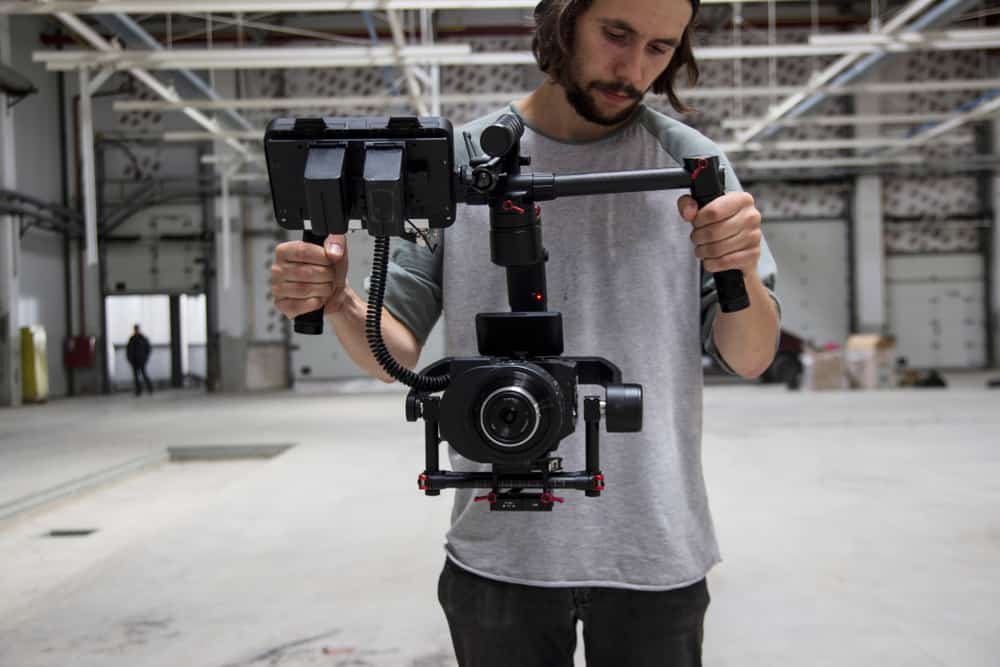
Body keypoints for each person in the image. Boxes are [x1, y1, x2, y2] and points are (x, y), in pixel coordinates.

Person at [271, 0, 781, 663]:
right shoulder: (455, 164)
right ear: (563, 21)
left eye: (659, 49)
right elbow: (393, 346)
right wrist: (337, 298)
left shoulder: (690, 163)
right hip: (500, 551)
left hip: (652, 545)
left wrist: (737, 262)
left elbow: (749, 355)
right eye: (616, 34)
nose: (632, 68)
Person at [126, 324, 153, 396]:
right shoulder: (132, 339)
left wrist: (145, 358)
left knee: (144, 374)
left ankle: (150, 389)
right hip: (134, 361)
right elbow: (128, 350)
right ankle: (138, 390)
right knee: (136, 377)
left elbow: (148, 349)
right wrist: (130, 359)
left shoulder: (143, 338)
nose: (136, 331)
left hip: (141, 360)